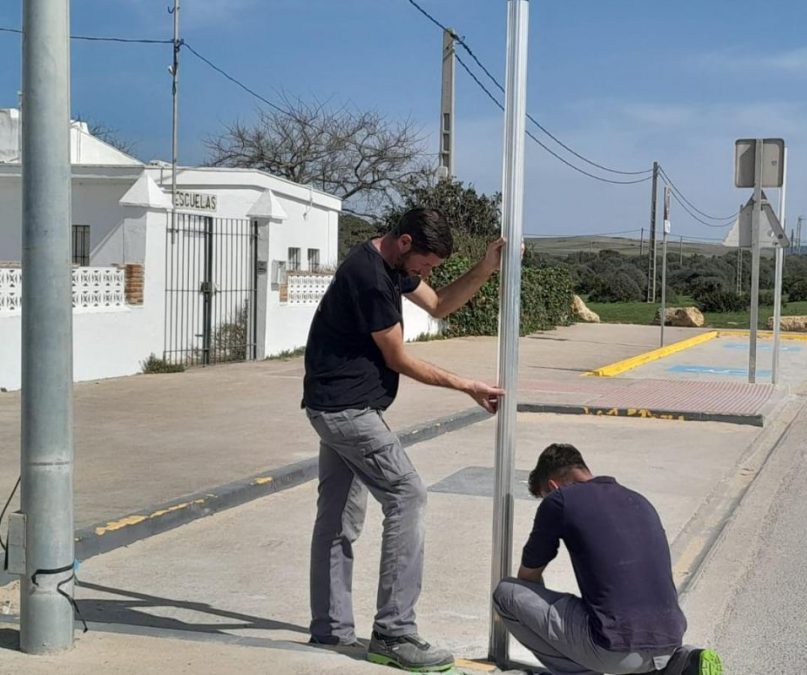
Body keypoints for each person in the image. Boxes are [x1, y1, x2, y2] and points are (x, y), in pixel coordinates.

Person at [303, 207, 505, 671]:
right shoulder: (371, 277)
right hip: (348, 412)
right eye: (427, 264)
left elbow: (438, 305)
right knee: (408, 495)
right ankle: (395, 633)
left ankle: (330, 630)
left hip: (333, 407)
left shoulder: (390, 266)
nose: (427, 273)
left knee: (337, 518)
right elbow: (398, 358)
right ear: (406, 242)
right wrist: (468, 385)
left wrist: (484, 269)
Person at [493, 444, 723, 675]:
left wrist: (551, 632)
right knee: (608, 618)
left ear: (552, 485)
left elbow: (528, 577)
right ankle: (677, 665)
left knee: (506, 593)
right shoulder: (640, 500)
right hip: (670, 639)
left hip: (613, 648)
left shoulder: (560, 500)